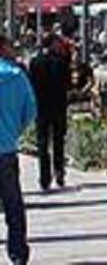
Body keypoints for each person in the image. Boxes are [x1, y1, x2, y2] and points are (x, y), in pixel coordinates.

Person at [0, 33, 35, 265]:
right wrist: (14, 131)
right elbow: (30, 111)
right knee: (13, 204)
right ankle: (18, 253)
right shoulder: (17, 76)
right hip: (7, 150)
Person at [27, 33, 70, 192]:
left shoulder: (35, 62)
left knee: (42, 143)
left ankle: (44, 178)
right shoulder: (62, 62)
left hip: (41, 107)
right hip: (58, 107)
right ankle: (59, 173)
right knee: (58, 141)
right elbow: (67, 84)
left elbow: (31, 85)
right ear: (52, 44)